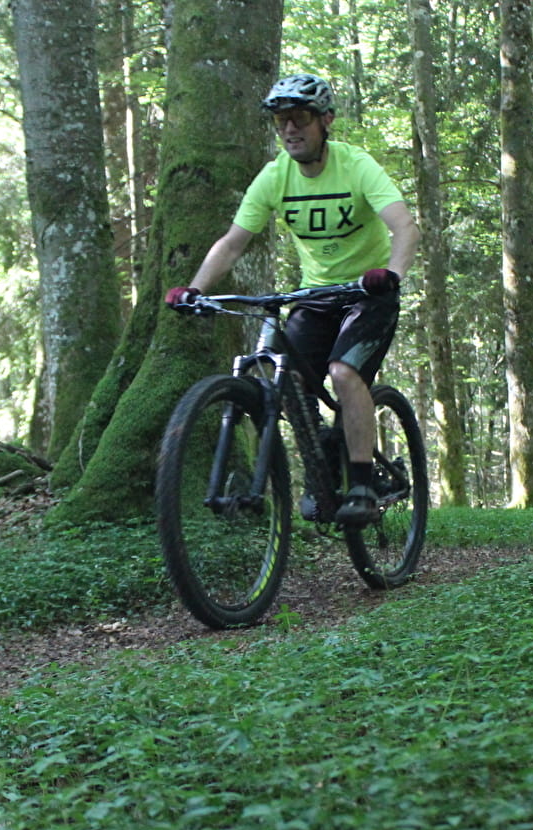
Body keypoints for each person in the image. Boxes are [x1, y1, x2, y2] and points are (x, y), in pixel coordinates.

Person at [164, 74, 420, 526]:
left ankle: (362, 480)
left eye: (300, 119)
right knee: (279, 380)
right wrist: (196, 288)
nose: (289, 130)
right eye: (281, 121)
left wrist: (392, 275)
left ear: (325, 122)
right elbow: (232, 242)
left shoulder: (355, 165)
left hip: (368, 292)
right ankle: (325, 449)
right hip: (316, 297)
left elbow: (405, 227)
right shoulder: (275, 177)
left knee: (344, 372)